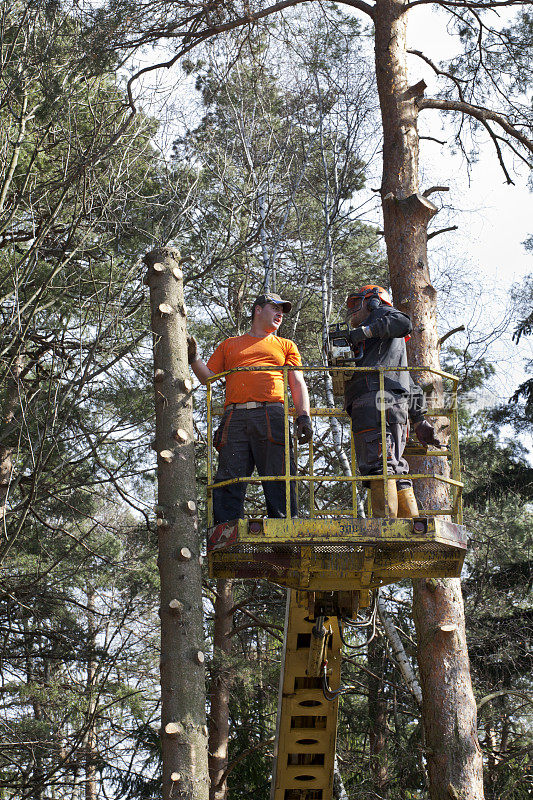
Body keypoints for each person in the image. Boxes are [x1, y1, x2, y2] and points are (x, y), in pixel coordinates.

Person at [188, 293, 312, 524]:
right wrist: (194, 358)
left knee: (279, 475)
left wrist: (303, 416)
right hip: (235, 417)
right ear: (257, 310)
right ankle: (226, 530)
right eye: (275, 308)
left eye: (282, 312)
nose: (280, 315)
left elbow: (296, 382)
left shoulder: (285, 345)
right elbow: (208, 378)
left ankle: (285, 529)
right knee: (229, 477)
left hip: (271, 414)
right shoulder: (230, 345)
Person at [343, 284, 442, 518]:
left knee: (380, 467)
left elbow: (403, 322)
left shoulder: (381, 316)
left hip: (371, 403)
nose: (353, 311)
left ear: (373, 301)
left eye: (357, 303)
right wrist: (419, 420)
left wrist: (365, 332)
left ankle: (384, 529)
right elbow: (407, 380)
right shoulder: (384, 346)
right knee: (395, 467)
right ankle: (411, 528)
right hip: (395, 407)